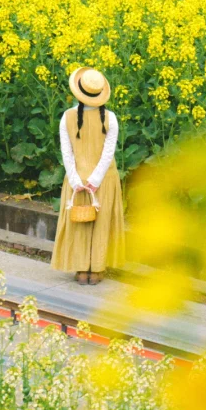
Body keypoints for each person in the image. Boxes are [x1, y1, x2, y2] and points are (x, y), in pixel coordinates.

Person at [51, 66, 125, 284]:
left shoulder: (67, 117)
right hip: (104, 180)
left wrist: (77, 181)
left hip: (77, 179)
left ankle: (81, 271)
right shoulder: (111, 118)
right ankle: (97, 270)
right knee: (101, 224)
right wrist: (95, 181)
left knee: (79, 224)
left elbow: (66, 152)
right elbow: (108, 152)